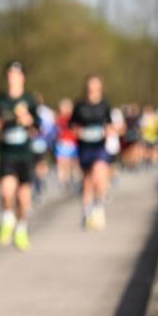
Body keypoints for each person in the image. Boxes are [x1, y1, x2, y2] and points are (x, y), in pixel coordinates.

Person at [0, 61, 41, 251]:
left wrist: (28, 121)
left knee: (23, 199)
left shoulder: (30, 100)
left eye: (17, 74)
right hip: (6, 153)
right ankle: (7, 220)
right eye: (10, 74)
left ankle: (21, 229)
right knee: (5, 192)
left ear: (22, 78)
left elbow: (38, 128)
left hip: (25, 155)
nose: (13, 77)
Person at [70, 75, 114, 230]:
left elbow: (110, 125)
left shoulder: (105, 105)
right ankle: (86, 211)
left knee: (99, 175)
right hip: (84, 147)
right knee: (87, 180)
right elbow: (72, 126)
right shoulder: (79, 105)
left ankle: (98, 208)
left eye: (96, 86)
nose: (93, 89)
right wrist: (79, 131)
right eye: (90, 86)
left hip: (99, 147)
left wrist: (108, 131)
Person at [54, 99, 79, 189]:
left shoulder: (73, 118)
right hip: (61, 143)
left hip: (72, 143)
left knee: (71, 163)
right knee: (61, 162)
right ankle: (63, 180)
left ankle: (72, 179)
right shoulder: (58, 118)